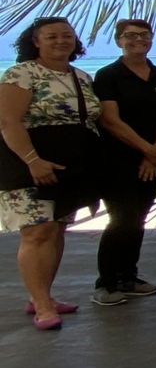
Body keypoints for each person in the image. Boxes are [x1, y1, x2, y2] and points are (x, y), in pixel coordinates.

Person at [2, 17, 102, 329]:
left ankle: (42, 295)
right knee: (36, 231)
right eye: (52, 36)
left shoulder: (81, 77)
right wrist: (33, 160)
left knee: (56, 228)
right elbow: (8, 122)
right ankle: (42, 305)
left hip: (70, 165)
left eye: (67, 35)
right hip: (28, 162)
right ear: (35, 41)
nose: (61, 41)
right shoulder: (21, 73)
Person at [90, 18, 156, 305]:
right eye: (130, 36)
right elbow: (110, 120)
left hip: (153, 158)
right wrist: (147, 150)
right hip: (117, 159)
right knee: (121, 219)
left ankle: (129, 275)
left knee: (138, 219)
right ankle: (106, 282)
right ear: (118, 41)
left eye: (144, 35)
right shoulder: (108, 75)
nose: (138, 40)